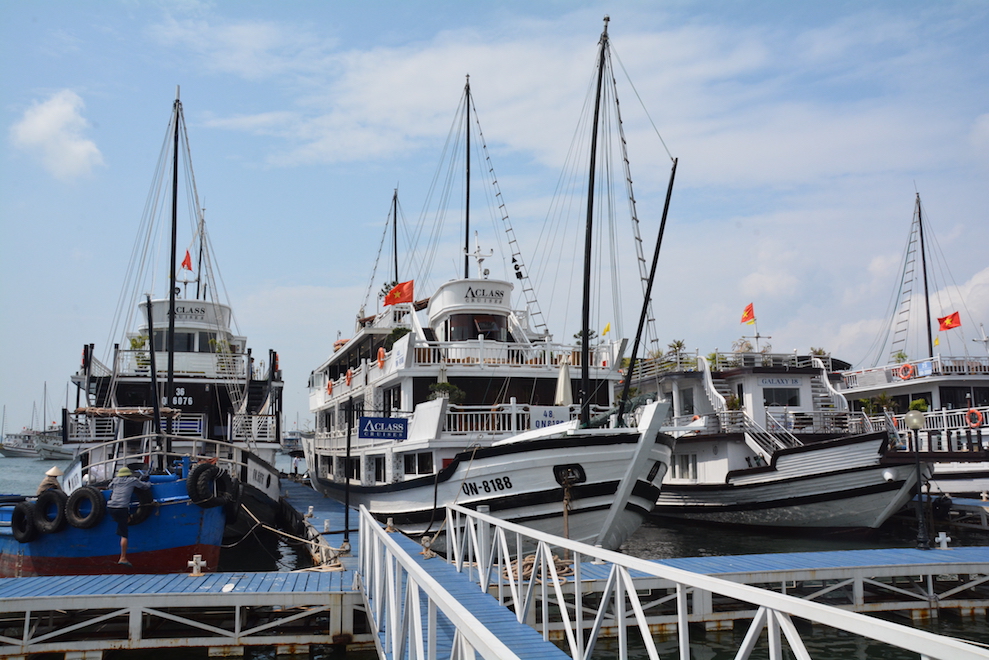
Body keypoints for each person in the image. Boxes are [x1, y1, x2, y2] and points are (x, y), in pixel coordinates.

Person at [107, 466, 151, 566]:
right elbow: (145, 486)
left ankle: (123, 522)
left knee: (124, 520)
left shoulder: (115, 480)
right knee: (124, 534)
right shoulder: (132, 480)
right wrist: (148, 482)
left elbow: (109, 487)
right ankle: (123, 558)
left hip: (110, 507)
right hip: (121, 508)